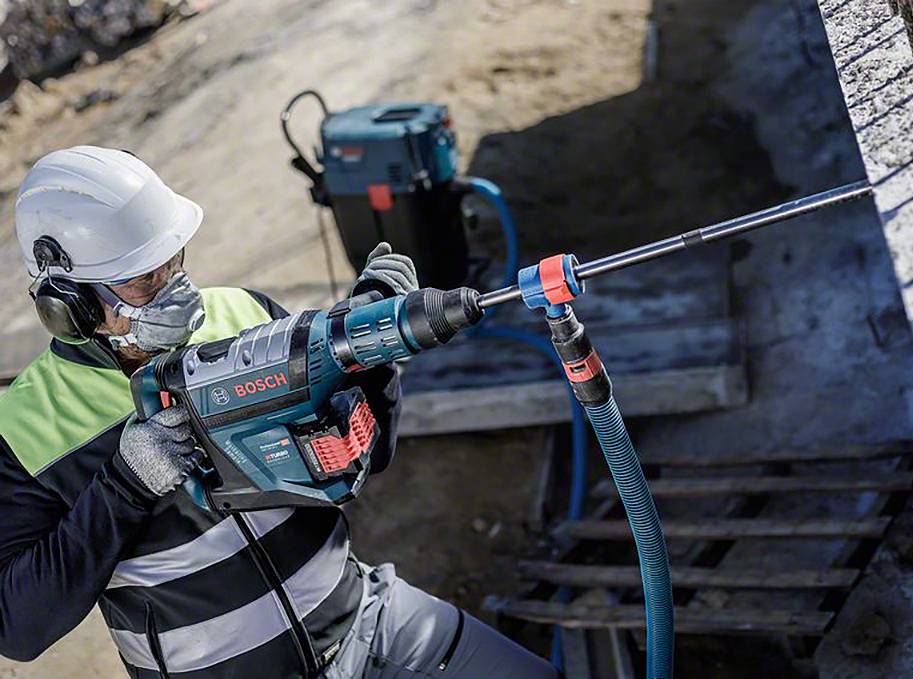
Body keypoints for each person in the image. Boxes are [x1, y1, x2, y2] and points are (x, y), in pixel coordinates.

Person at [0, 146, 557, 679]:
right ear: (66, 300)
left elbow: (367, 457)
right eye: (145, 280)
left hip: (367, 621)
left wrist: (370, 359)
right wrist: (125, 487)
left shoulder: (243, 314)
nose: (176, 289)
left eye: (175, 263)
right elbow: (18, 628)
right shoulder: (26, 431)